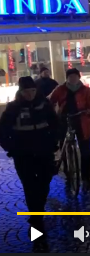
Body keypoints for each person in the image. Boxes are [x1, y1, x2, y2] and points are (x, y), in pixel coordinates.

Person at [0, 77, 63, 232]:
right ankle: (36, 215)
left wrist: (54, 143)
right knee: (29, 185)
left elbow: (56, 125)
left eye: (33, 91)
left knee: (44, 182)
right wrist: (10, 148)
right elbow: (3, 130)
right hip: (23, 154)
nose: (30, 94)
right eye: (27, 91)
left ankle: (38, 209)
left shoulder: (44, 105)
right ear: (21, 92)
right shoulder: (13, 108)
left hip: (44, 152)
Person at [49, 68, 90, 188]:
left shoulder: (86, 90)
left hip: (82, 122)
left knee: (85, 151)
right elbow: (50, 101)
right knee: (64, 148)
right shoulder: (60, 89)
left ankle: (86, 177)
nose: (73, 79)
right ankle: (68, 172)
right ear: (67, 78)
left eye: (75, 76)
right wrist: (53, 113)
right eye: (70, 77)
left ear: (78, 77)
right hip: (64, 121)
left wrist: (88, 112)